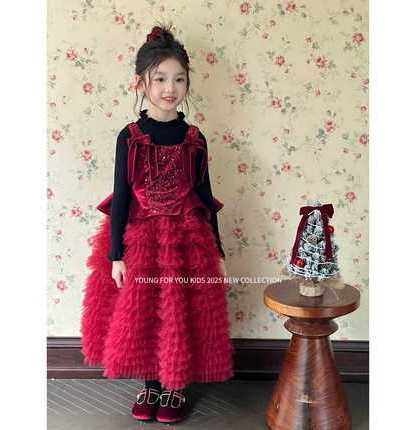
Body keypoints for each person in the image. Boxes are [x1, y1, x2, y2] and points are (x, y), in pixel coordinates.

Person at [80, 23, 234, 424]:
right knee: (145, 310)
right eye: (160, 78)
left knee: (180, 311)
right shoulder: (130, 136)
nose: (170, 87)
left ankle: (174, 385)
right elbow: (121, 196)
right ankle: (150, 382)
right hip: (141, 239)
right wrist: (116, 254)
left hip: (187, 240)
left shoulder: (195, 137)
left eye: (179, 79)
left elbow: (205, 195)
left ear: (188, 83)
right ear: (140, 83)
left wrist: (217, 248)